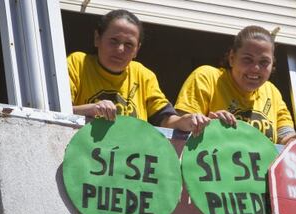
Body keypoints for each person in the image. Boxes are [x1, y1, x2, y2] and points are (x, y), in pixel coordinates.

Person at [174, 25, 296, 151]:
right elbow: (177, 130)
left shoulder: (273, 93)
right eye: (247, 60)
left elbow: (284, 140)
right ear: (231, 58)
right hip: (210, 182)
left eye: (264, 62)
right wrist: (208, 125)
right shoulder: (207, 77)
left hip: (258, 188)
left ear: (272, 65)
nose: (255, 68)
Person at [67, 9, 207, 134]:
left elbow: (164, 120)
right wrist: (90, 109)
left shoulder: (144, 75)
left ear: (137, 50)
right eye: (114, 41)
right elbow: (55, 113)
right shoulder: (78, 63)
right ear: (97, 39)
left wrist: (185, 121)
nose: (120, 49)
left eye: (129, 44)